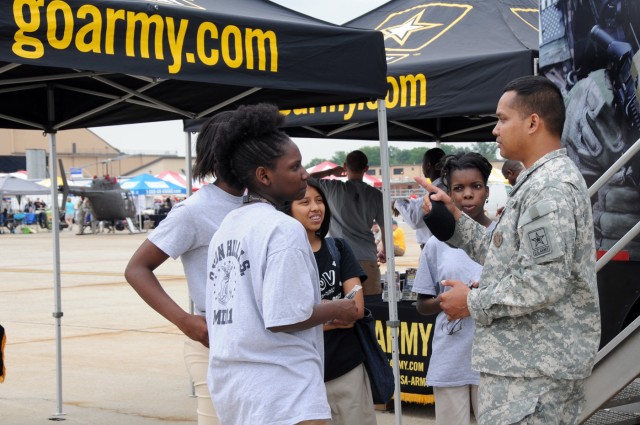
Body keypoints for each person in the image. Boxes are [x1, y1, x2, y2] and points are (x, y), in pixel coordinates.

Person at [416, 75, 601, 424]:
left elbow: (542, 282)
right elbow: (506, 253)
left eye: (502, 119)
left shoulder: (549, 189)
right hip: (528, 367)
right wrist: (455, 218)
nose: (495, 130)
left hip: (533, 373)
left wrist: (470, 303)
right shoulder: (539, 183)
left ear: (533, 122)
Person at [205, 103, 359, 425]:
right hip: (284, 389)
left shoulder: (227, 227)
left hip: (232, 386)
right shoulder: (283, 228)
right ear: (264, 175)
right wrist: (337, 309)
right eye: (295, 166)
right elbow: (284, 317)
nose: (305, 174)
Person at [124, 111, 246, 425]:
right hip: (213, 341)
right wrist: (184, 321)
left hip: (260, 339)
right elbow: (137, 269)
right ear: (219, 156)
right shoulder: (193, 211)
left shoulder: (265, 201)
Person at [282, 180, 377, 425]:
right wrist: (333, 314)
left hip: (346, 367)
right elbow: (285, 318)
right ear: (287, 210)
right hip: (301, 373)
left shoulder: (339, 248)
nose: (315, 208)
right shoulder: (281, 256)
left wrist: (313, 316)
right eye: (305, 202)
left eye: (320, 200)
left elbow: (355, 308)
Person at [414, 152, 496, 425]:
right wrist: (448, 301)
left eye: (476, 186)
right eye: (459, 188)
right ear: (449, 193)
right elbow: (422, 303)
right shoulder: (436, 243)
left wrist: (475, 298)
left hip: (495, 358)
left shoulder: (502, 236)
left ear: (487, 190)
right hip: (451, 358)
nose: (468, 195)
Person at [311, 150, 385, 296]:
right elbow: (384, 227)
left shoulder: (332, 188)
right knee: (372, 304)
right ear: (366, 168)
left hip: (340, 257)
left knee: (343, 307)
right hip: (367, 256)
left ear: (345, 166)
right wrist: (385, 251)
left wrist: (331, 171)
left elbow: (306, 178)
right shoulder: (376, 195)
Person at [393, 148, 446, 250]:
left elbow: (414, 221)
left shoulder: (436, 191)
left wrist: (398, 203)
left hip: (434, 249)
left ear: (428, 165)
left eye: (423, 163)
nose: (422, 168)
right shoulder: (443, 186)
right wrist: (405, 203)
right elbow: (420, 202)